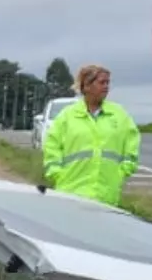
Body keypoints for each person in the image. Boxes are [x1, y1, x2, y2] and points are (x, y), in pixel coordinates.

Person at [43, 64, 140, 206]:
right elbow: (52, 147)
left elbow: (132, 145)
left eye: (108, 82)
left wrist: (122, 172)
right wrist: (56, 174)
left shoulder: (119, 115)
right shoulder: (67, 117)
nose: (106, 87)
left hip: (106, 195)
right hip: (70, 193)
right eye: (101, 82)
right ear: (86, 86)